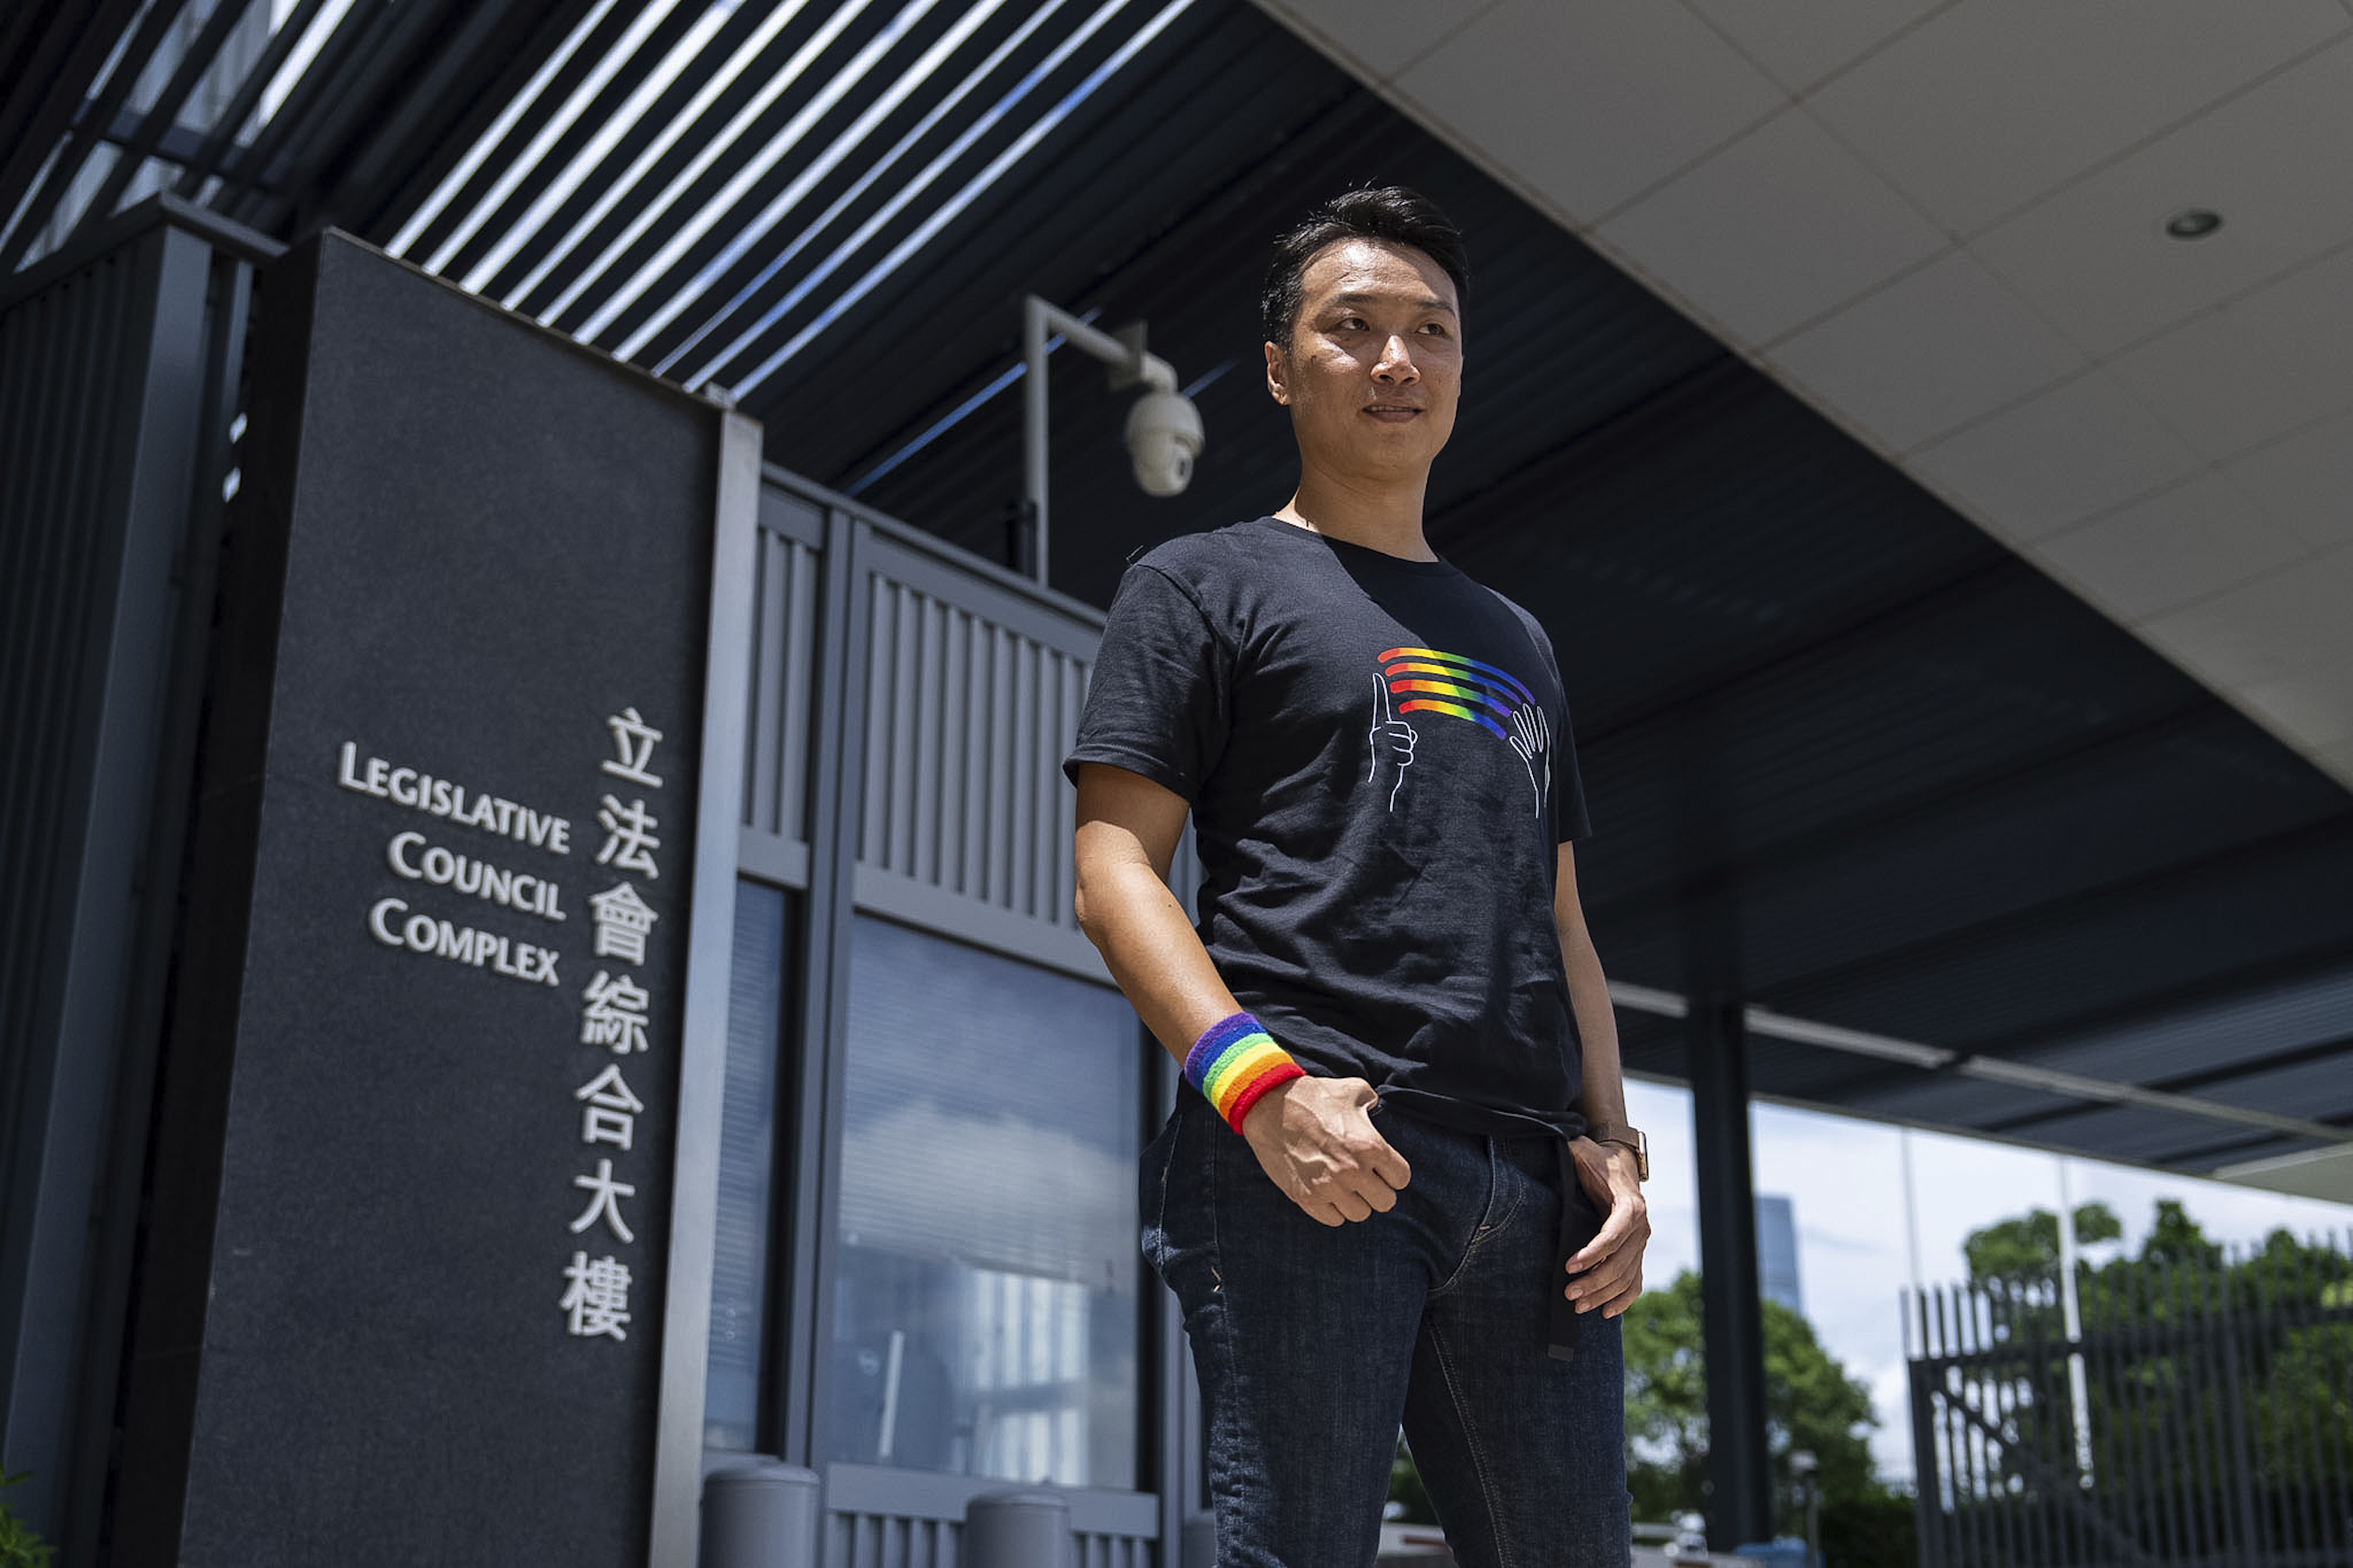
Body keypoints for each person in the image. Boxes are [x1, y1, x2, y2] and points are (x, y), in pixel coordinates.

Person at [1066, 186, 1650, 1568]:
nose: (1396, 361)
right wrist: (1255, 1091)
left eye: (1428, 333)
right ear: (1280, 368)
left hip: (1534, 1187)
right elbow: (1110, 871)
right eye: (1354, 328)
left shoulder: (1519, 639)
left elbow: (1556, 918)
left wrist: (1616, 1152)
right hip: (1312, 1149)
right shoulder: (1200, 584)